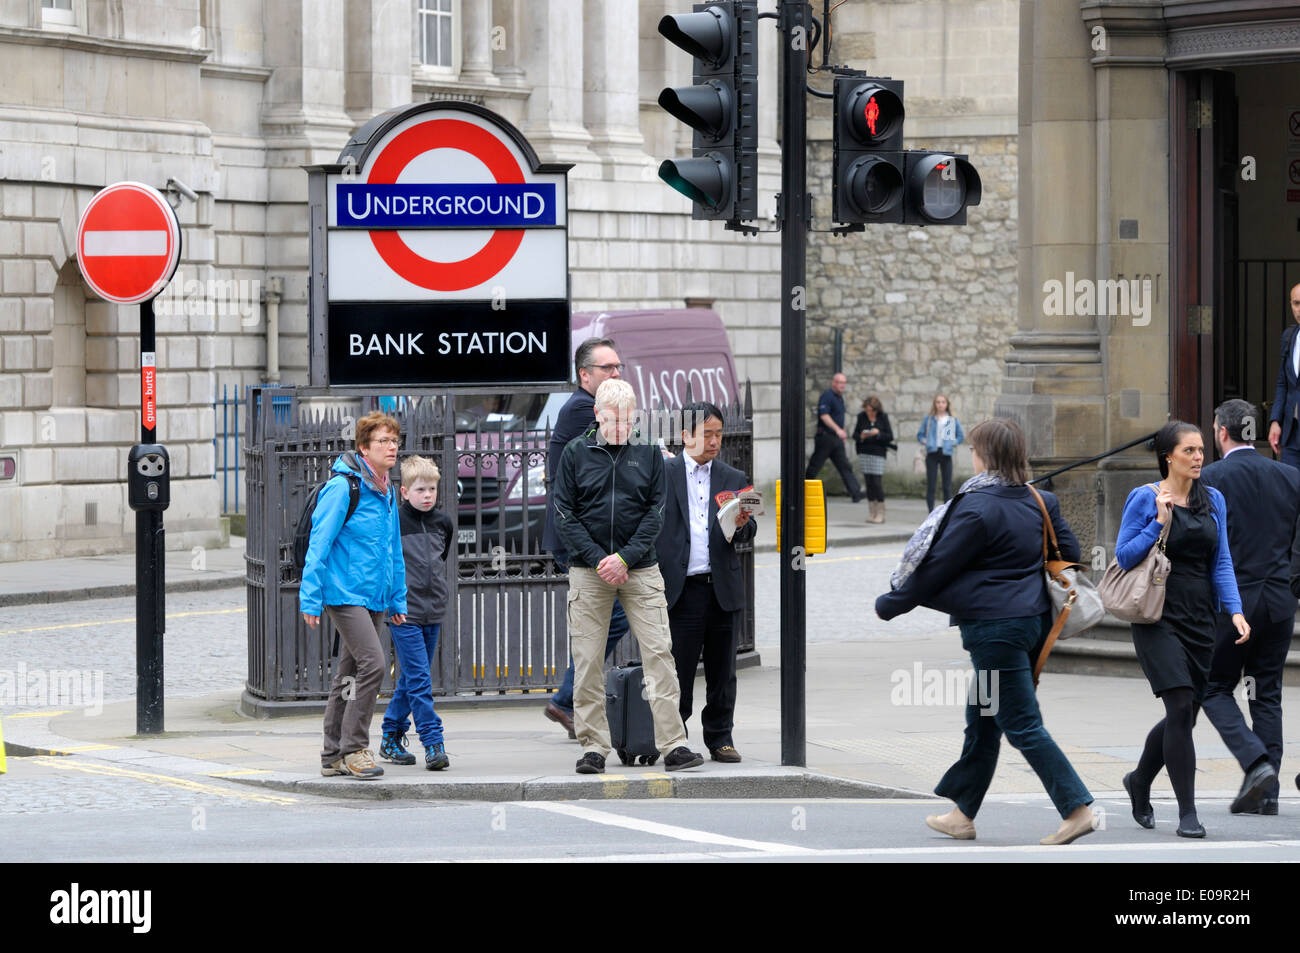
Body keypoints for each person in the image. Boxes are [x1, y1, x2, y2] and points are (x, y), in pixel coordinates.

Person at [875, 417, 1097, 846]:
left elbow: (935, 568)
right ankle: (962, 814)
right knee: (983, 717)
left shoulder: (975, 508)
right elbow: (1068, 553)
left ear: (985, 456)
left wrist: (892, 603)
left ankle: (1077, 808)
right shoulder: (1040, 499)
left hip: (995, 632)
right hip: (1033, 624)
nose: (971, 457)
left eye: (974, 450)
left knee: (1020, 722)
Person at [552, 379, 703, 775]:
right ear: (597, 415)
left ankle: (674, 744)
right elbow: (565, 514)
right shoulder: (575, 453)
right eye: (611, 420)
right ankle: (593, 747)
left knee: (659, 655)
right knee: (586, 663)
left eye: (626, 420)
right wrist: (600, 558)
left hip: (640, 567)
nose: (619, 428)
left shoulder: (649, 452)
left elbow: (656, 512)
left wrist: (625, 557)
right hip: (589, 570)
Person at [1115, 420, 1250, 838]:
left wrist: (1235, 610)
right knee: (1178, 705)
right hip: (1157, 615)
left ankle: (1139, 780)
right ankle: (1188, 813)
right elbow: (1123, 556)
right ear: (1167, 456)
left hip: (1200, 618)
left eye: (1200, 450)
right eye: (1188, 451)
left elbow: (1221, 560)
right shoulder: (1145, 497)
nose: (1197, 458)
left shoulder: (1215, 500)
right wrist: (1157, 522)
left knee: (1186, 715)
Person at [301, 411, 407, 780]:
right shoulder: (344, 487)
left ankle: (332, 754)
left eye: (395, 441)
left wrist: (397, 599)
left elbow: (392, 548)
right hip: (343, 591)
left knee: (348, 673)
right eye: (383, 441)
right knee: (374, 664)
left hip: (373, 594)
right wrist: (310, 597)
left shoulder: (387, 489)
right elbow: (320, 543)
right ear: (364, 447)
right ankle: (355, 749)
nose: (392, 447)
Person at [1200, 399, 1293, 814]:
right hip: (1278, 602)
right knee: (1266, 693)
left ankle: (1256, 765)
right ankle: (1267, 794)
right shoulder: (1290, 476)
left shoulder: (1210, 478)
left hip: (1232, 603)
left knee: (1214, 686)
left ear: (1222, 431)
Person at [656, 401, 757, 763]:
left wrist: (744, 523)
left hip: (722, 588)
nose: (715, 442)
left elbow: (750, 532)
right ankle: (673, 737)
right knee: (677, 669)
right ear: (686, 435)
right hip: (682, 588)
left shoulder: (732, 477)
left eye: (719, 434)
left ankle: (720, 737)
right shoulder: (664, 474)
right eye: (707, 434)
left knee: (722, 671)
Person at [540, 337, 631, 738]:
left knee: (606, 619)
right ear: (584, 375)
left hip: (587, 534)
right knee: (612, 618)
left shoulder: (585, 407)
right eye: (606, 368)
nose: (615, 374)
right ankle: (566, 700)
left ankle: (568, 700)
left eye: (618, 368)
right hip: (578, 537)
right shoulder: (582, 408)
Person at [378, 454, 455, 771]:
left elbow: (442, 558)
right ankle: (433, 742)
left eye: (432, 490)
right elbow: (387, 564)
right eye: (420, 489)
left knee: (411, 678)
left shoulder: (443, 523)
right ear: (404, 491)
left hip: (432, 609)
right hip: (403, 612)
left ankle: (390, 736)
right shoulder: (395, 521)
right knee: (421, 679)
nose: (427, 496)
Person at [805, 372, 863, 502]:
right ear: (834, 383)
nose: (842, 385)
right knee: (815, 465)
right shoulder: (827, 396)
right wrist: (838, 430)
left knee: (845, 466)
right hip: (825, 437)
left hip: (836, 439)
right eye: (840, 382)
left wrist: (840, 433)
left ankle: (856, 493)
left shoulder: (839, 398)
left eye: (844, 383)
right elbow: (824, 415)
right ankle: (802, 489)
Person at [1266, 282, 1300, 470]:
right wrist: (1276, 421)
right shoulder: (1289, 337)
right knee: (1290, 492)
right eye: (1296, 303)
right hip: (1292, 434)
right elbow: (1283, 384)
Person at [917, 394, 964, 512]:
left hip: (946, 453)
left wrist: (953, 442)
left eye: (943, 402)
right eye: (938, 402)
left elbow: (960, 436)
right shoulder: (929, 419)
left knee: (947, 486)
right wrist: (925, 441)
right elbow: (920, 435)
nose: (940, 404)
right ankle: (930, 512)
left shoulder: (951, 419)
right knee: (931, 485)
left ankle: (946, 512)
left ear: (947, 404)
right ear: (935, 404)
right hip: (932, 452)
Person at [854, 395, 894, 524]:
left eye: (871, 410)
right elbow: (855, 434)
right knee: (868, 482)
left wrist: (878, 433)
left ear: (876, 409)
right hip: (865, 452)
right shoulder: (861, 416)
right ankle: (872, 512)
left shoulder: (883, 417)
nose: (869, 412)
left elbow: (890, 436)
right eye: (867, 409)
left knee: (877, 483)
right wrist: (861, 435)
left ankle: (881, 513)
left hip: (878, 453)